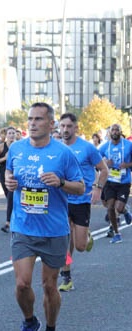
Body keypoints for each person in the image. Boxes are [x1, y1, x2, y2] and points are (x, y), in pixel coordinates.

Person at [4, 102, 83, 331]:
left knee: (49, 285)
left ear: (51, 124)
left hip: (54, 230)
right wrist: (8, 182)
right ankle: (30, 322)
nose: (32, 123)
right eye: (30, 118)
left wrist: (60, 182)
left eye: (39, 119)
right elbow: (8, 175)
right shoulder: (16, 148)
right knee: (22, 284)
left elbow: (80, 187)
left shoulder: (63, 153)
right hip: (24, 227)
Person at [57, 113, 107, 291]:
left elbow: (103, 169)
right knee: (64, 240)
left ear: (76, 128)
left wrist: (97, 188)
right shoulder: (55, 147)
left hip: (82, 199)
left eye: (69, 126)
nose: (65, 130)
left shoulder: (87, 148)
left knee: (80, 246)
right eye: (62, 126)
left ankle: (86, 235)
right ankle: (66, 277)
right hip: (62, 200)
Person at [98, 123, 132, 243]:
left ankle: (125, 211)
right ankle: (117, 234)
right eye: (113, 130)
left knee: (119, 207)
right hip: (110, 181)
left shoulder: (129, 145)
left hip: (124, 181)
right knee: (110, 207)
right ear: (109, 133)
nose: (115, 132)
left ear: (120, 132)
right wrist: (105, 161)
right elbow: (96, 159)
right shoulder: (105, 147)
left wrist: (127, 165)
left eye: (117, 130)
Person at [0, 127, 18, 233]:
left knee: (11, 197)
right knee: (9, 198)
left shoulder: (19, 147)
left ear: (16, 135)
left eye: (13, 133)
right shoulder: (1, 147)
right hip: (3, 174)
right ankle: (14, 219)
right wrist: (4, 159)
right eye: (9, 133)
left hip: (15, 176)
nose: (11, 135)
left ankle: (8, 223)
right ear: (6, 135)